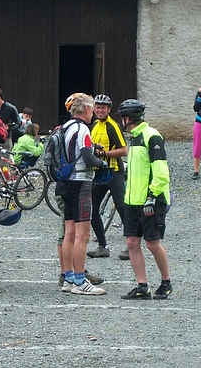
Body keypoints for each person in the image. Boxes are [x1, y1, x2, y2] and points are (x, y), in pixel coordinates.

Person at [116, 99, 172, 300]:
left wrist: (152, 195)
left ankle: (166, 282)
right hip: (133, 201)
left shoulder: (152, 136)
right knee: (132, 242)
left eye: (123, 118)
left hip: (150, 201)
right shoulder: (135, 138)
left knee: (152, 243)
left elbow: (161, 171)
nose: (122, 122)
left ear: (128, 119)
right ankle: (142, 286)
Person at [58, 93, 108, 295]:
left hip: (65, 182)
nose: (93, 113)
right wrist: (101, 163)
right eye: (93, 109)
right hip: (81, 183)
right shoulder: (82, 129)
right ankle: (80, 281)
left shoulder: (65, 127)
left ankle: (68, 278)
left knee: (69, 232)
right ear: (86, 109)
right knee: (83, 234)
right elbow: (87, 156)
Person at [87, 94, 129, 260]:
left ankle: (131, 246)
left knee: (122, 207)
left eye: (103, 108)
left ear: (109, 110)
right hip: (99, 173)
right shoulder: (95, 125)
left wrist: (104, 153)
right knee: (92, 209)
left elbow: (124, 150)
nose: (100, 110)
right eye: (97, 107)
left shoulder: (113, 126)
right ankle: (103, 247)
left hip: (114, 171)